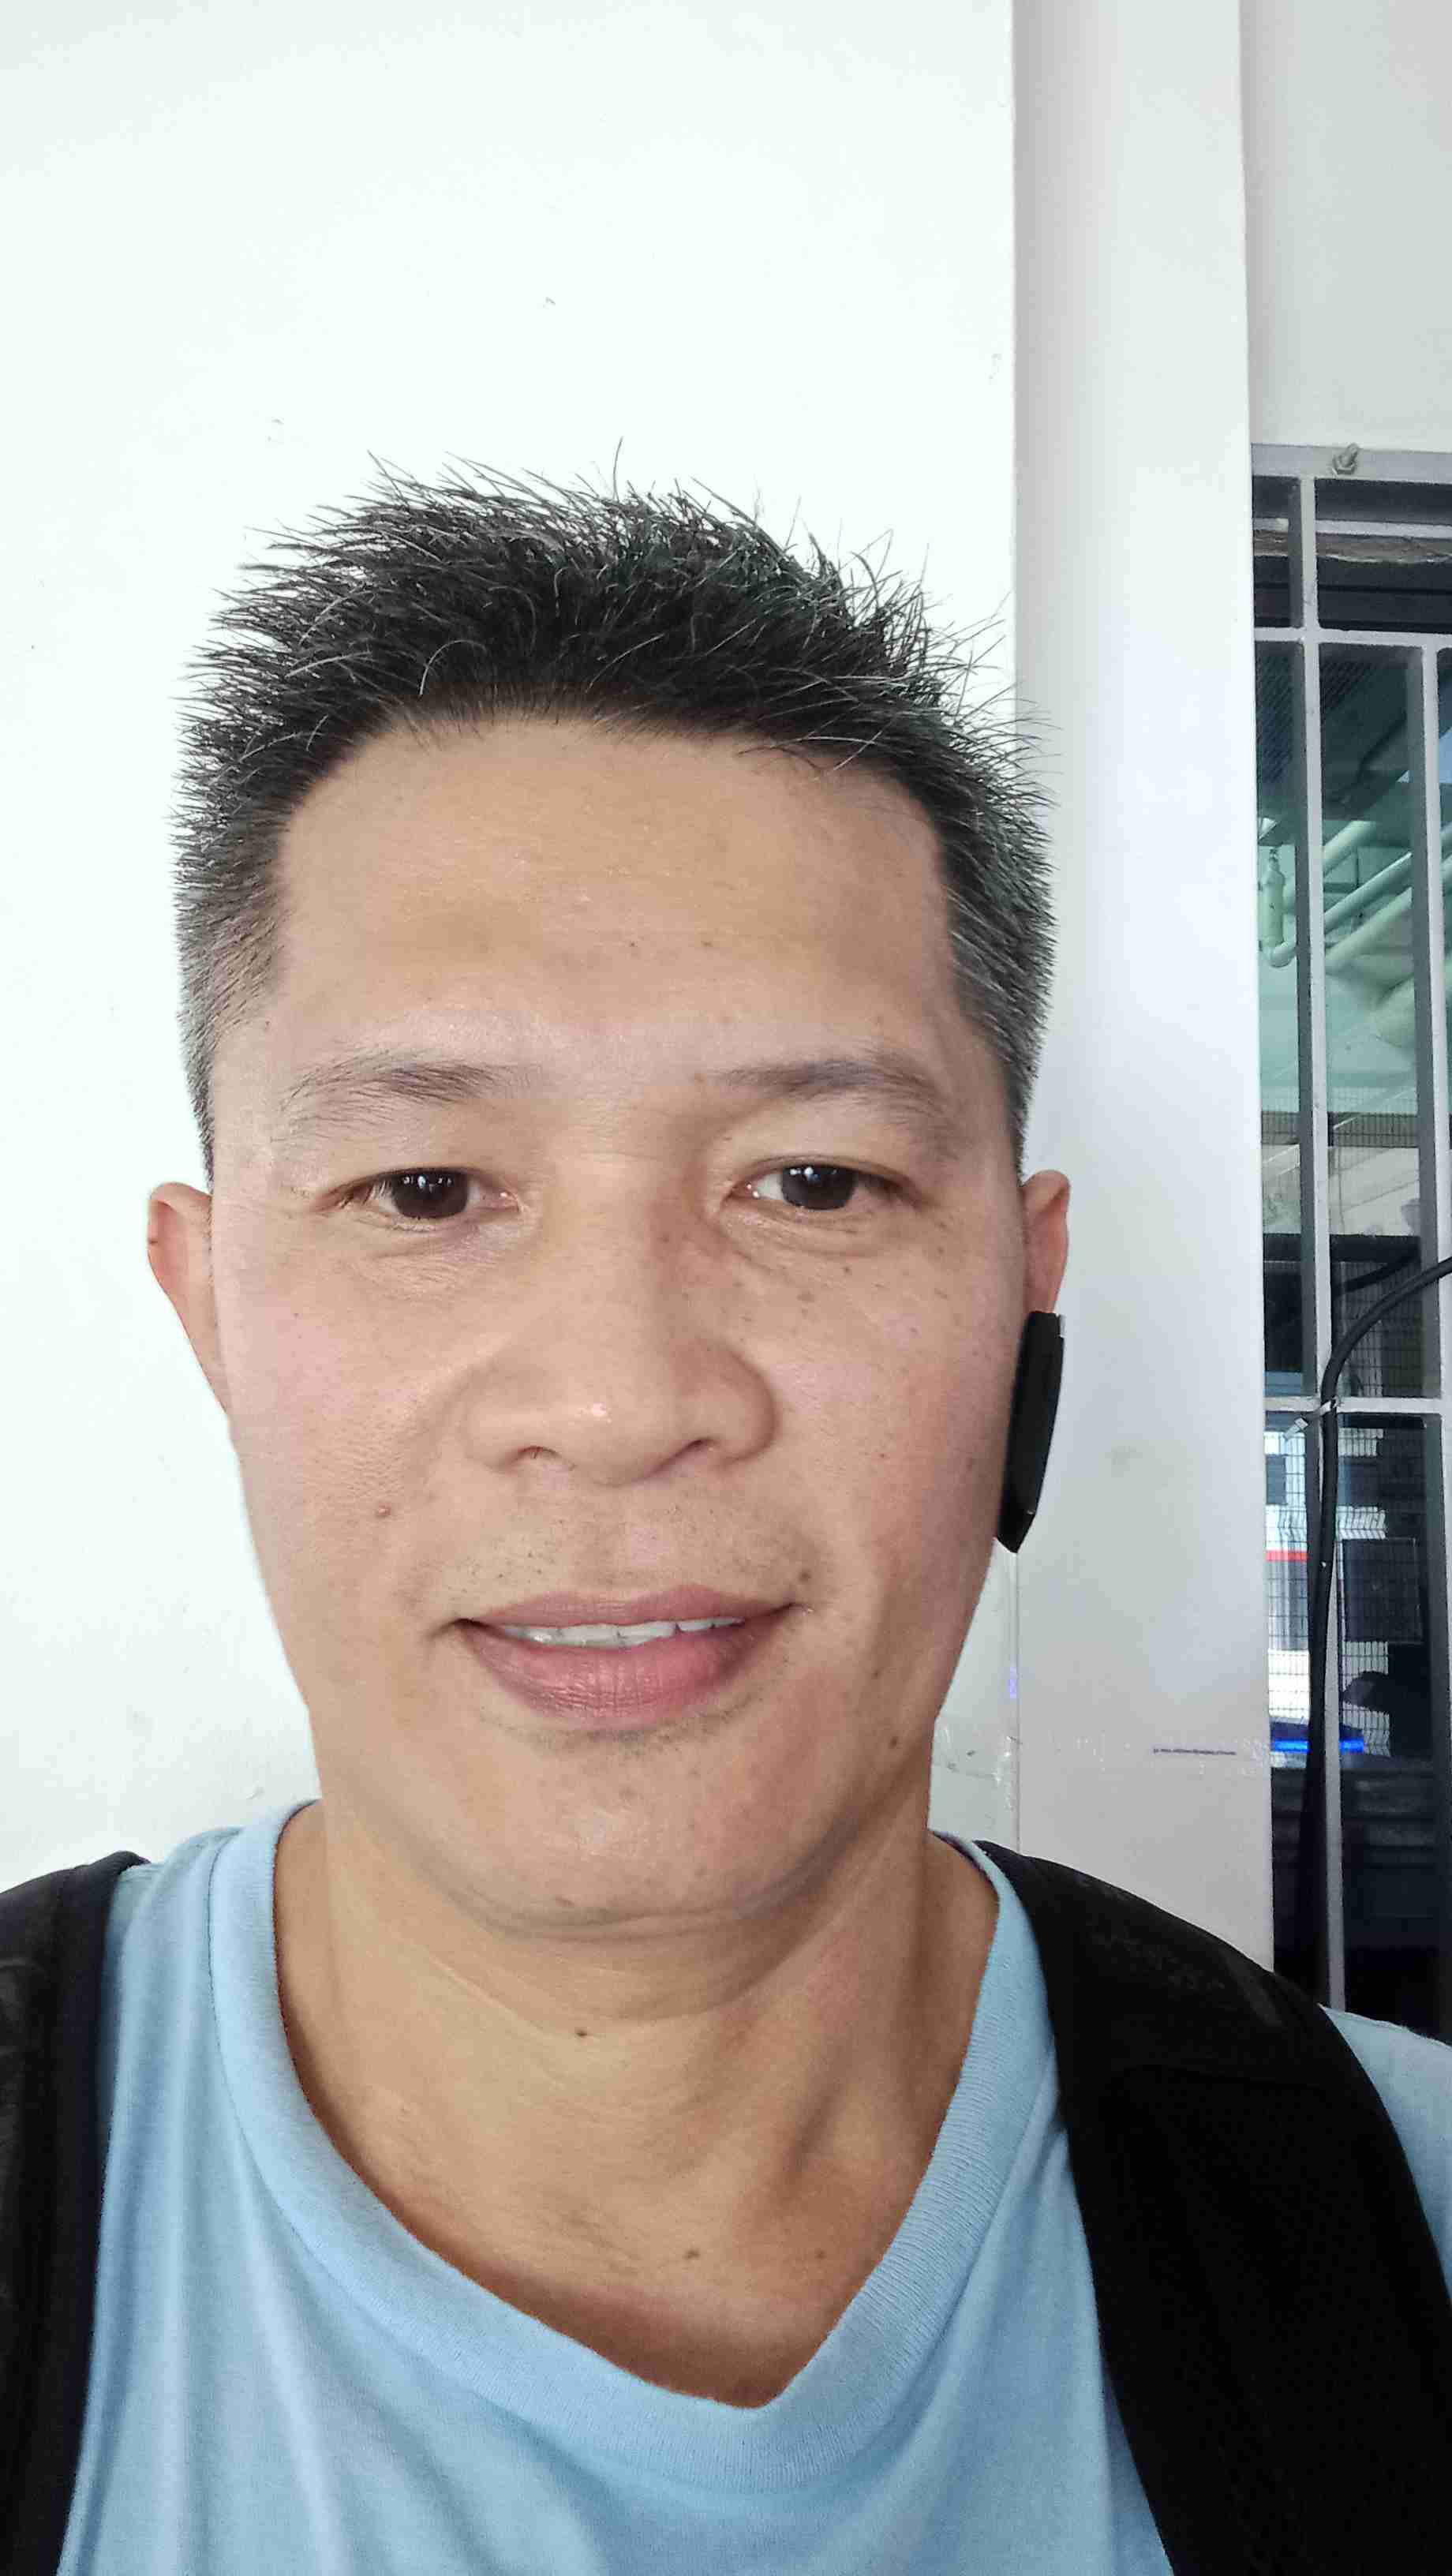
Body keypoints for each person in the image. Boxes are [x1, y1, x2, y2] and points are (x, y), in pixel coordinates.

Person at [63, 461, 1448, 2571]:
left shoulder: (1401, 2234)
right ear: (211, 1308)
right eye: (424, 1190)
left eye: (814, 1182)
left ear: (1024, 1291)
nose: (623, 1405)